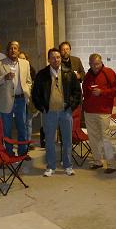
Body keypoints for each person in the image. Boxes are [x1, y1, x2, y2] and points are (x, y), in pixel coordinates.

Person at [32, 48, 82, 177]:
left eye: (58, 57)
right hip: (49, 113)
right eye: (53, 57)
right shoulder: (42, 74)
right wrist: (42, 107)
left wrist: (71, 105)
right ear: (49, 59)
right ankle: (51, 166)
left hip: (65, 112)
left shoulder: (69, 73)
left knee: (67, 140)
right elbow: (35, 94)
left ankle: (68, 166)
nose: (56, 59)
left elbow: (77, 92)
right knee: (49, 141)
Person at [82, 53, 116, 173]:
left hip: (103, 111)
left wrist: (102, 92)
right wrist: (89, 92)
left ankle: (111, 165)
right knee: (93, 138)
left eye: (97, 64)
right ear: (89, 64)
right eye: (92, 64)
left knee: (105, 138)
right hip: (89, 111)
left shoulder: (109, 72)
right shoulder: (87, 75)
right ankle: (97, 161)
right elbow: (84, 90)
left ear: (101, 62)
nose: (95, 66)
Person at [0, 41, 32, 156]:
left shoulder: (25, 63)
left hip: (20, 100)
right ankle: (9, 152)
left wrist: (27, 91)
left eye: (15, 48)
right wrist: (4, 78)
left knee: (22, 128)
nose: (13, 50)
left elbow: (28, 81)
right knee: (7, 129)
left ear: (18, 50)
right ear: (7, 51)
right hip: (6, 100)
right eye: (11, 48)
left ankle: (22, 152)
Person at [18, 51, 37, 149]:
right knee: (22, 123)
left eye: (23, 58)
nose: (21, 60)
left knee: (28, 122)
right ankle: (23, 143)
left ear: (27, 60)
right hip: (20, 100)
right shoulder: (16, 69)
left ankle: (28, 142)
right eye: (19, 58)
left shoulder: (32, 70)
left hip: (29, 99)